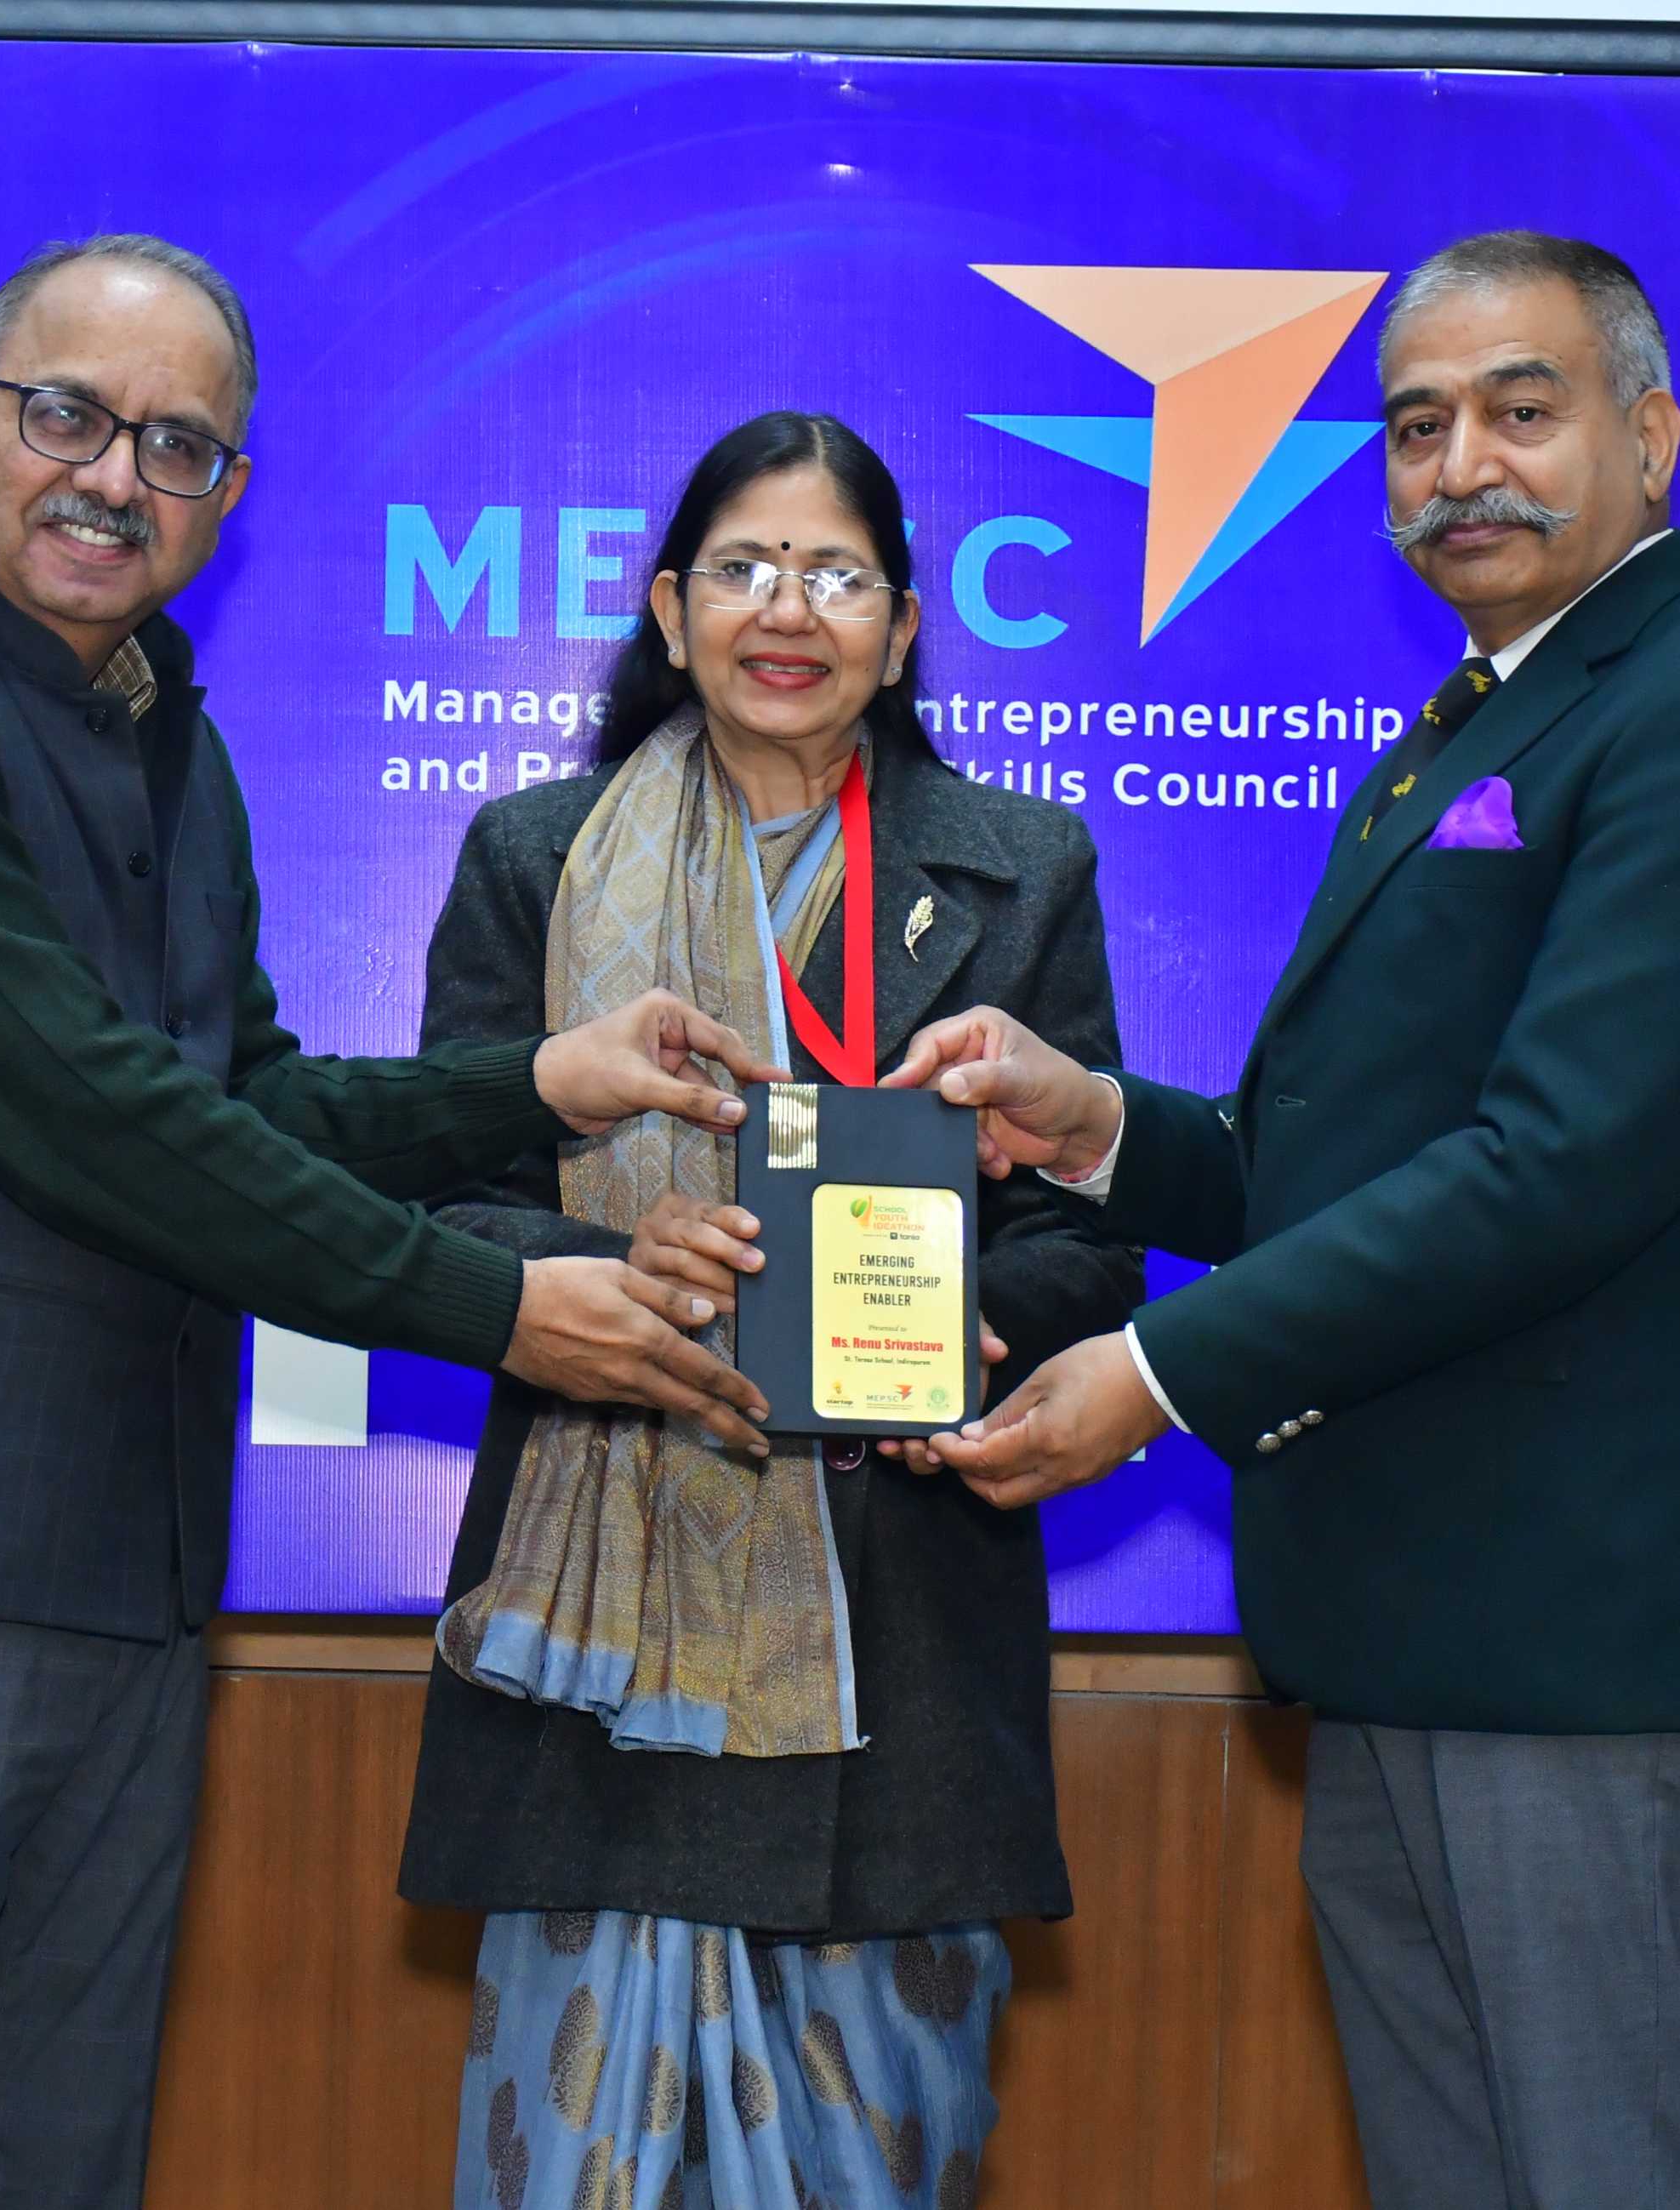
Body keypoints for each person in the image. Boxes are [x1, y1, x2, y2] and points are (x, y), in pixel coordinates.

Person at [0, 232, 780, 2210]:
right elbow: (88, 1117)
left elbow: (236, 1101)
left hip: (114, 1575)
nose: (112, 477)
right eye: (66, 417)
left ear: (226, 495)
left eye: (176, 447)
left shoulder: (164, 731)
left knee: (54, 2169)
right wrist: (498, 1311)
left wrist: (531, 1084)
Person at [891, 233, 1680, 2209]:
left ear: (1650, 437)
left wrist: (1156, 1372)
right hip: (1408, 1627)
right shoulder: (1473, 725)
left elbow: (1555, 1167)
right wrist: (1096, 1131)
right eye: (1414, 428)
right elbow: (1342, 1162)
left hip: (1585, 1644)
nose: (1459, 468)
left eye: (1520, 410)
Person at [399, 411, 1142, 2210]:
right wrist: (598, 1269)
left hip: (900, 1623)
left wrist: (966, 1318)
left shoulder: (1015, 869)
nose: (785, 610)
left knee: (871, 2149)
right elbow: (441, 1189)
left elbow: (1084, 1230)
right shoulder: (538, 859)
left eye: (834, 573)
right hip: (609, 1631)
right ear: (669, 612)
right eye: (741, 568)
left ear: (901, 624)